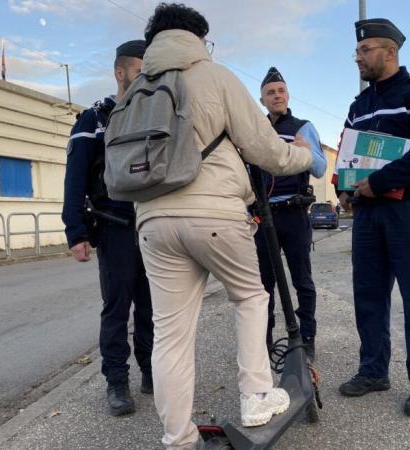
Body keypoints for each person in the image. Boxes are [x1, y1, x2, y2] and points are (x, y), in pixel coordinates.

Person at [134, 3, 314, 449]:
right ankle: (255, 395)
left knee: (171, 334)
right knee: (252, 296)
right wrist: (305, 157)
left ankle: (177, 437)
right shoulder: (215, 76)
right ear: (197, 39)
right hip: (214, 213)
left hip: (153, 220)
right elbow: (266, 149)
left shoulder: (137, 89)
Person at [335, 18, 410, 417]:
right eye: (357, 52)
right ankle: (373, 371)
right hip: (367, 215)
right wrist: (344, 192)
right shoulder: (358, 106)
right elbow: (346, 158)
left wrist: (377, 182)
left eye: (365, 51)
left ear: (390, 52)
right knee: (368, 295)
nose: (359, 58)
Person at [61, 40, 154, 416]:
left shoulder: (154, 117)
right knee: (117, 309)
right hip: (114, 227)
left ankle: (151, 372)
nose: (146, 78)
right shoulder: (94, 119)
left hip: (151, 226)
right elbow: (75, 177)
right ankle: (117, 382)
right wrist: (76, 231)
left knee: (153, 309)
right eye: (139, 71)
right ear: (121, 72)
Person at [254, 67, 326, 362]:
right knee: (263, 285)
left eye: (281, 91)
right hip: (262, 217)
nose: (277, 96)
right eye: (270, 92)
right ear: (262, 99)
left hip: (293, 213)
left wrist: (306, 151)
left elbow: (320, 169)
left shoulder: (302, 127)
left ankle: (306, 338)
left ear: (288, 95)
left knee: (302, 280)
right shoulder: (255, 130)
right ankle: (264, 340)